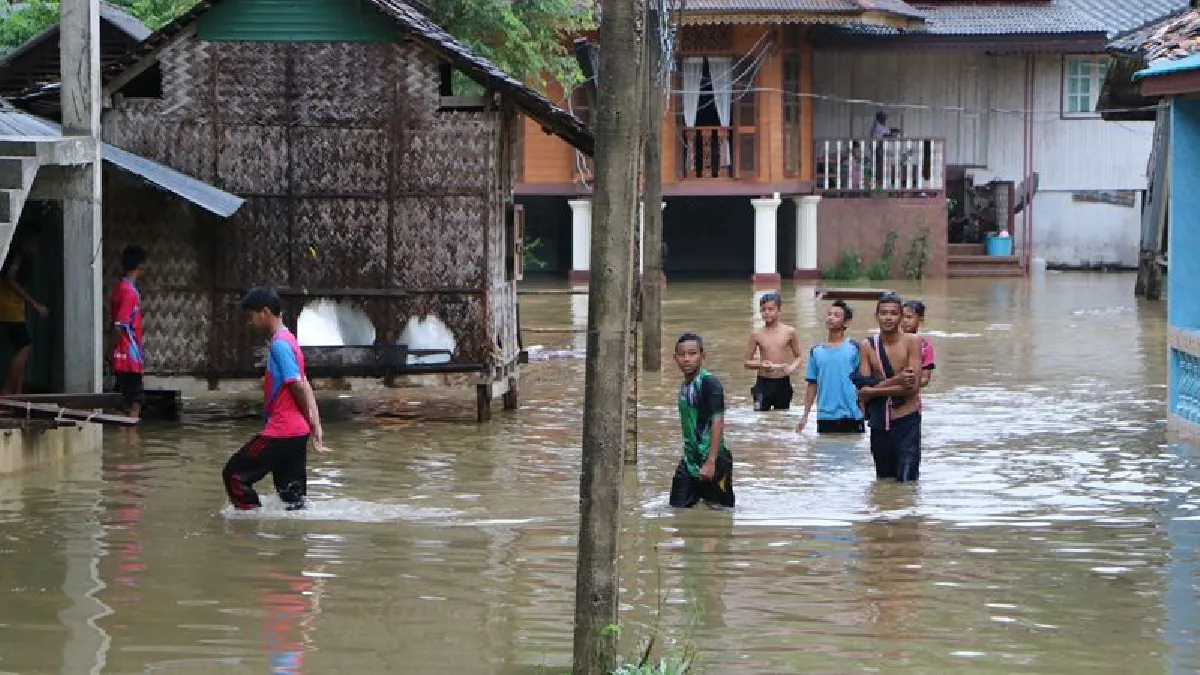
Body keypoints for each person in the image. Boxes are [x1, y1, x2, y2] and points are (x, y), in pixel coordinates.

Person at [223, 287, 327, 511]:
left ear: (264, 312)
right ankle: (293, 543)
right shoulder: (290, 340)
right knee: (292, 499)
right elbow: (305, 383)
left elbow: (298, 385)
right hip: (297, 433)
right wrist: (314, 424)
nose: (250, 323)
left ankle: (249, 531)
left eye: (251, 316)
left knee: (234, 475)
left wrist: (312, 421)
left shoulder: (279, 345)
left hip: (282, 431)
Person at [855, 292, 922, 482]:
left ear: (901, 316)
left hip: (907, 421)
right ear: (876, 316)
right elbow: (863, 392)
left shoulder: (913, 342)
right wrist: (897, 380)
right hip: (879, 424)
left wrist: (875, 390)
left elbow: (912, 387)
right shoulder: (867, 346)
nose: (888, 318)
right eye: (883, 313)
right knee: (884, 482)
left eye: (893, 313)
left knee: (907, 481)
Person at [670, 332, 735, 509]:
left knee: (720, 513)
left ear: (702, 356)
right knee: (677, 510)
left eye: (692, 354)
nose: (686, 359)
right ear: (675, 358)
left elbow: (718, 421)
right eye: (682, 354)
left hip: (714, 460)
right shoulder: (685, 386)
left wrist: (711, 461)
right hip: (689, 461)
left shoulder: (709, 383)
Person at [797, 300, 865, 434]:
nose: (831, 318)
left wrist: (864, 411)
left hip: (852, 415)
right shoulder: (815, 351)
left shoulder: (855, 348)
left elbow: (863, 382)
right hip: (825, 416)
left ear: (846, 322)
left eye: (836, 315)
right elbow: (812, 384)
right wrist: (805, 416)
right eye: (829, 314)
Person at [0, 226, 47, 395]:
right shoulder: (17, 256)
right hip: (8, 306)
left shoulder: (24, 257)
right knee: (24, 346)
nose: (37, 246)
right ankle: (6, 390)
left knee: (21, 349)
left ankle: (18, 393)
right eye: (34, 242)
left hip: (15, 308)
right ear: (26, 241)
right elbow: (9, 280)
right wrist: (34, 303)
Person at [743, 291, 803, 411]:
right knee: (759, 416)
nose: (766, 312)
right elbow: (746, 362)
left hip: (783, 382)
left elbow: (799, 356)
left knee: (782, 417)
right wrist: (761, 365)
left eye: (771, 309)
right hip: (762, 383)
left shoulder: (789, 332)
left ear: (779, 310)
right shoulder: (756, 334)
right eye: (763, 309)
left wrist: (792, 368)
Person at [111, 246, 148, 419]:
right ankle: (131, 441)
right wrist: (111, 349)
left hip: (125, 354)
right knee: (134, 401)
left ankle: (123, 443)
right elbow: (119, 325)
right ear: (141, 265)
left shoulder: (122, 288)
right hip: (129, 356)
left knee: (124, 401)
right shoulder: (128, 292)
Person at [901, 300, 936, 388]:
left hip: (911, 394)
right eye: (902, 317)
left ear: (920, 319)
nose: (904, 321)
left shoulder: (925, 345)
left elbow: (925, 379)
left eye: (909, 317)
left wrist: (907, 384)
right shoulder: (891, 340)